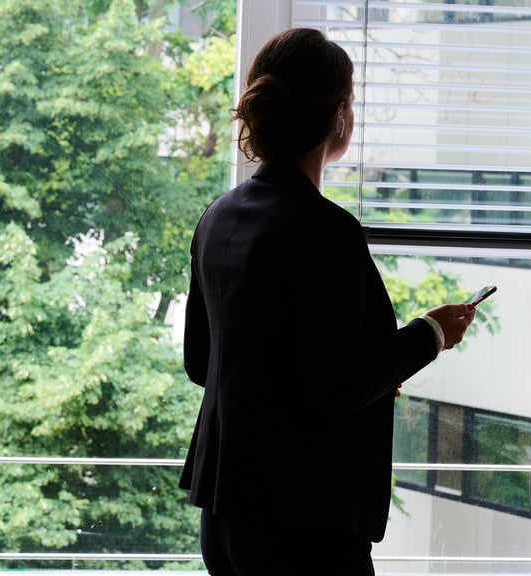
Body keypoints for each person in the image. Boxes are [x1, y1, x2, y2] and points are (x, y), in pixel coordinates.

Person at [177, 27, 478, 576]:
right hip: (305, 521)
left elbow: (203, 363)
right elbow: (338, 383)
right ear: (340, 117)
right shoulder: (325, 230)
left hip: (225, 514)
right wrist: (430, 335)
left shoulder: (216, 216)